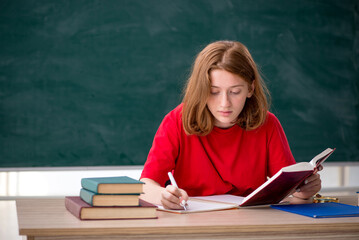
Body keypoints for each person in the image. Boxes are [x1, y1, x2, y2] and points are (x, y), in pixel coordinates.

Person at [140, 40, 321, 209]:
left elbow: (289, 190)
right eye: (214, 92)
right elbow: (146, 186)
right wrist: (164, 196)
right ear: (201, 90)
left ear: (250, 89)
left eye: (235, 92)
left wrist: (304, 191)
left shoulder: (267, 124)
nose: (224, 103)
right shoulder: (177, 121)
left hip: (250, 223)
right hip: (192, 222)